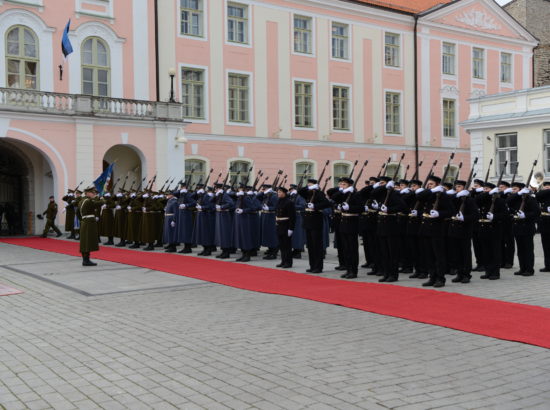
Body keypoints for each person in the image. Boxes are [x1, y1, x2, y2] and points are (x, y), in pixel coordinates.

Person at [416, 175, 456, 287]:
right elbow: (419, 197)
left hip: (437, 229)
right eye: (428, 184)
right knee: (429, 255)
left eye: (431, 184)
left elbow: (451, 211)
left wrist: (439, 214)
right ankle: (432, 277)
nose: (429, 186)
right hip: (426, 229)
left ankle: (440, 278)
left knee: (438, 256)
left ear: (438, 185)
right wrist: (431, 190)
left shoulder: (443, 196)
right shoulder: (428, 194)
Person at [448, 180, 479, 283]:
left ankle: (466, 274)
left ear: (464, 188)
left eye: (459, 186)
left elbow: (475, 215)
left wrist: (464, 218)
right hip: (454, 230)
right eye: (456, 186)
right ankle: (459, 273)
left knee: (465, 253)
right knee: (456, 253)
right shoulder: (454, 199)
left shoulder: (469, 200)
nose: (457, 188)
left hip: (465, 230)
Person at [507, 182, 540, 276]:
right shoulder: (515, 198)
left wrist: (526, 215)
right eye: (512, 189)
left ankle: (529, 269)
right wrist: (517, 194)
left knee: (528, 249)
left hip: (527, 227)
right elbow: (507, 201)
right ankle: (522, 268)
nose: (513, 191)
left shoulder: (530, 199)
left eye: (515, 189)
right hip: (517, 227)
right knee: (520, 250)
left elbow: (536, 212)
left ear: (521, 189)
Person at [298, 178, 330, 273]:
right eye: (308, 183)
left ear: (315, 185)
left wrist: (315, 206)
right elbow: (300, 191)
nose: (308, 185)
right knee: (310, 246)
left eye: (310, 183)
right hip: (308, 222)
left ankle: (318, 267)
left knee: (317, 246)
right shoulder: (308, 193)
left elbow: (326, 203)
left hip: (316, 221)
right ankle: (312, 266)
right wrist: (308, 187)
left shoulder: (319, 193)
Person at [275, 187, 296, 268]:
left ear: (284, 193)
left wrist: (291, 228)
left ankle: (288, 262)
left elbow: (293, 217)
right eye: (278, 192)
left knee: (287, 245)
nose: (278, 193)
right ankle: (283, 261)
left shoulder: (289, 202)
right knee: (281, 245)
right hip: (279, 224)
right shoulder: (278, 201)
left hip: (286, 225)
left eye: (280, 192)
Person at [79, 187, 100, 266]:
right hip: (88, 223)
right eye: (92, 193)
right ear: (87, 193)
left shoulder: (82, 201)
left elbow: (78, 213)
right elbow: (98, 204)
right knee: (87, 242)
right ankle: (86, 260)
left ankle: (86, 259)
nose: (94, 194)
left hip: (85, 221)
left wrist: (83, 219)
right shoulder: (88, 201)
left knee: (85, 242)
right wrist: (100, 197)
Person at [536, 182, 550, 272]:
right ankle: (548, 266)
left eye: (548, 187)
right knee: (546, 247)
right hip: (544, 224)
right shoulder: (541, 196)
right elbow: (537, 195)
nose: (547, 189)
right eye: (545, 187)